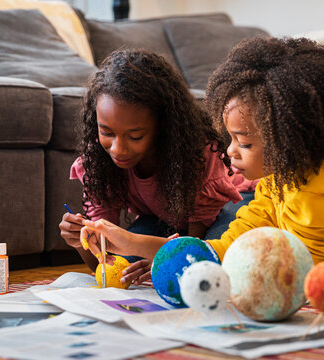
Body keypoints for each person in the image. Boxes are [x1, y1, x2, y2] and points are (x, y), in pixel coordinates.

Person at [82, 37, 324, 298]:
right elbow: (230, 245)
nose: (231, 152)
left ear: (289, 139)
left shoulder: (316, 186)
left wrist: (157, 251)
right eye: (232, 138)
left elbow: (298, 270)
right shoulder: (277, 183)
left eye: (245, 142)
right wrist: (147, 246)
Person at [59, 49, 257, 284]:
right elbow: (104, 263)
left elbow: (194, 251)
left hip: (233, 205)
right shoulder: (99, 161)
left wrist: (165, 260)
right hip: (169, 221)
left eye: (135, 136)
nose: (118, 149)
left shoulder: (194, 153)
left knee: (210, 263)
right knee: (127, 262)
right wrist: (80, 242)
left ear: (162, 128)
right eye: (107, 132)